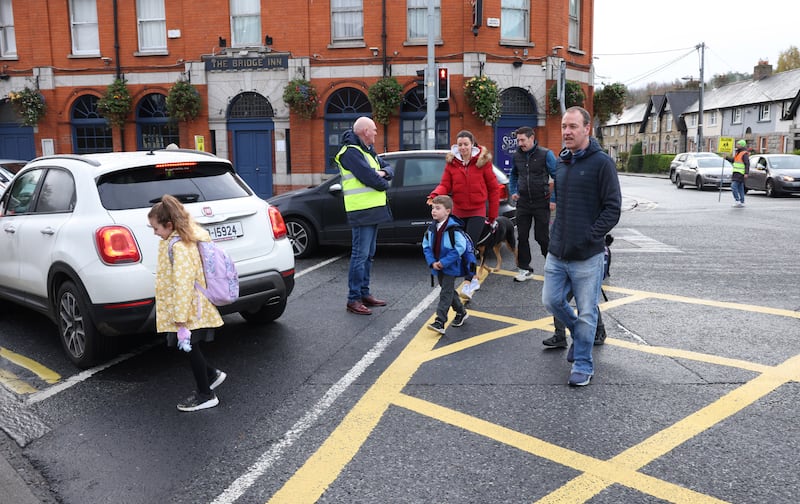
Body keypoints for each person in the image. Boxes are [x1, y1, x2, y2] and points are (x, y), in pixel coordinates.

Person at [542, 106, 621, 387]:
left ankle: (583, 364)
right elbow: (561, 205)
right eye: (564, 126)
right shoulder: (562, 163)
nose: (566, 131)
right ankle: (580, 334)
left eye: (573, 126)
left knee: (588, 311)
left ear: (587, 128)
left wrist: (591, 235)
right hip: (558, 251)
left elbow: (613, 209)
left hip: (587, 255)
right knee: (550, 301)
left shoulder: (602, 163)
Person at [148, 194, 227, 412]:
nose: (154, 233)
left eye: (156, 228)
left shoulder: (179, 246)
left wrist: (180, 316)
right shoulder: (173, 241)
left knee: (191, 349)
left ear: (169, 225)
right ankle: (212, 374)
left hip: (189, 308)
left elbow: (183, 283)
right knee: (190, 348)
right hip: (187, 306)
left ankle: (206, 394)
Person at [427, 130, 500, 300]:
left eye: (466, 144)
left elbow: (493, 188)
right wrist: (434, 196)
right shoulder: (452, 163)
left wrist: (493, 215)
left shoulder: (483, 163)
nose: (463, 148)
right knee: (457, 246)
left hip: (477, 211)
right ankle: (472, 277)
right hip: (458, 210)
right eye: (460, 145)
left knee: (468, 245)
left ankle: (468, 283)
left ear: (472, 144)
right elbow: (445, 184)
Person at [334, 116, 394, 315]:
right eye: (374, 130)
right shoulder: (350, 153)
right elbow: (368, 177)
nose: (376, 133)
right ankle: (354, 298)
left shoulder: (367, 151)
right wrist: (384, 182)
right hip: (361, 211)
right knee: (360, 256)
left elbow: (389, 168)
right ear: (364, 131)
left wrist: (383, 173)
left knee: (368, 255)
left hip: (373, 209)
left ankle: (364, 293)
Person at [509, 126, 557, 282]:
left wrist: (554, 199)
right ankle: (525, 269)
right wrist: (513, 190)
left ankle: (553, 267)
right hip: (523, 202)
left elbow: (558, 177)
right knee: (521, 236)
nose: (520, 143)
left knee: (541, 237)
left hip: (541, 202)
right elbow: (513, 175)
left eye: (523, 140)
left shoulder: (546, 154)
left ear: (532, 138)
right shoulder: (517, 156)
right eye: (518, 140)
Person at [422, 195, 469, 335]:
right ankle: (461, 312)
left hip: (450, 266)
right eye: (433, 208)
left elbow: (460, 248)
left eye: (438, 208)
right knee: (448, 290)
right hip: (437, 265)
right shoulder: (432, 228)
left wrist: (444, 262)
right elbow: (426, 246)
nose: (434, 211)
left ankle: (440, 321)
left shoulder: (454, 229)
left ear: (448, 211)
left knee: (445, 292)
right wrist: (432, 262)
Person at [728, 139, 750, 208]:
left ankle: (737, 201)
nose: (737, 145)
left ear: (742, 145)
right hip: (736, 172)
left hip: (740, 173)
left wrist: (746, 173)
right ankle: (742, 201)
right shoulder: (738, 153)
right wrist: (726, 158)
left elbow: (747, 164)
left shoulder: (744, 154)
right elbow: (733, 160)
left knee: (733, 186)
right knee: (740, 188)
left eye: (738, 144)